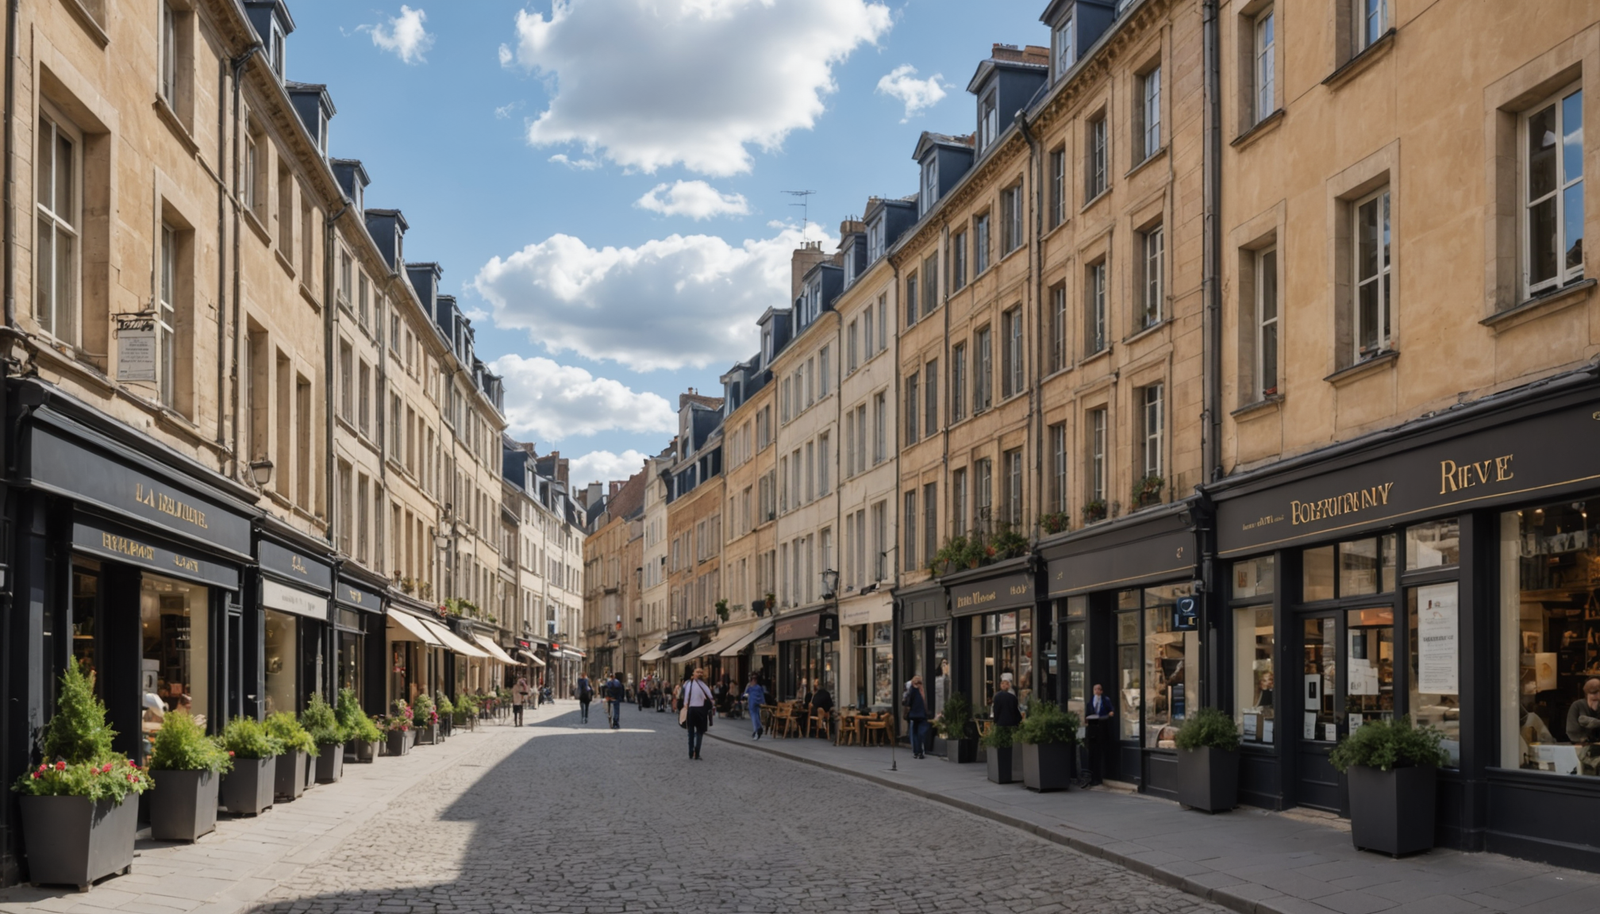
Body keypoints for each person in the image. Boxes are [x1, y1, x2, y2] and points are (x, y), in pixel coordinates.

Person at [682, 667, 716, 759]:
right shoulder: (692, 684)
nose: (700, 674)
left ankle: (694, 752)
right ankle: (693, 752)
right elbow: (711, 699)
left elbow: (710, 698)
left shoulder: (696, 684)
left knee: (696, 732)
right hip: (694, 709)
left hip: (698, 710)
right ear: (693, 673)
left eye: (701, 672)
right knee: (694, 732)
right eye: (698, 672)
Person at [1085, 682, 1115, 786]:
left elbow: (1111, 711)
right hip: (1092, 731)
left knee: (1100, 754)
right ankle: (1092, 777)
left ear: (1101, 691)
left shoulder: (1105, 700)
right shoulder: (1090, 702)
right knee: (1092, 754)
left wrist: (1110, 714)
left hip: (1102, 730)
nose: (1097, 691)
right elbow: (1087, 714)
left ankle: (1100, 777)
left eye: (1099, 689)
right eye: (1095, 689)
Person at [903, 675, 931, 759]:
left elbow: (906, 702)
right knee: (919, 734)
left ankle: (916, 751)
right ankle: (919, 751)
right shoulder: (918, 691)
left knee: (915, 733)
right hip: (920, 715)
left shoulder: (911, 690)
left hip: (914, 715)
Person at [744, 674, 767, 739]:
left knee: (754, 716)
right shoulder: (759, 687)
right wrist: (763, 702)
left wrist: (744, 699)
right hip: (757, 703)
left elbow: (745, 694)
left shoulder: (750, 688)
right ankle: (759, 727)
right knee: (756, 715)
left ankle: (756, 730)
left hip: (752, 703)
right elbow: (762, 695)